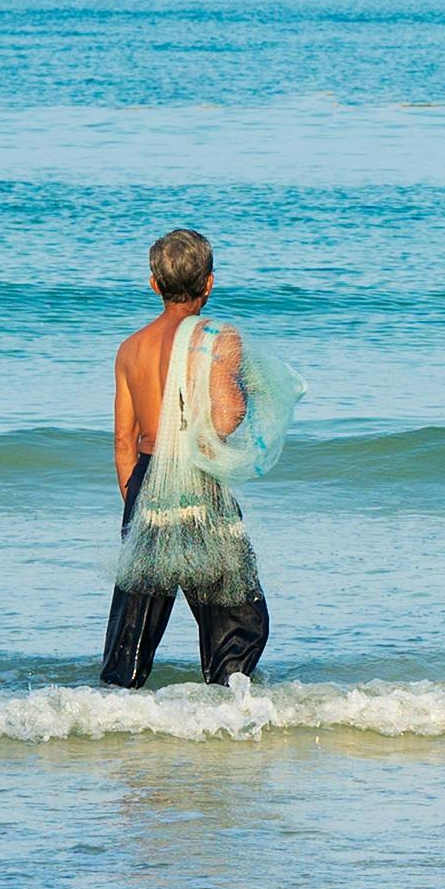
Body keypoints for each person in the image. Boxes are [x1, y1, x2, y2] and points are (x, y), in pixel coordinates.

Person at [100, 227, 298, 687]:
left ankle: (112, 712)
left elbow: (123, 442)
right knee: (237, 620)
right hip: (199, 479)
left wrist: (138, 506)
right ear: (209, 282)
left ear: (154, 284)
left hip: (147, 481)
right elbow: (226, 418)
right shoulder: (216, 337)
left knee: (134, 624)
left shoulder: (131, 348)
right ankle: (225, 714)